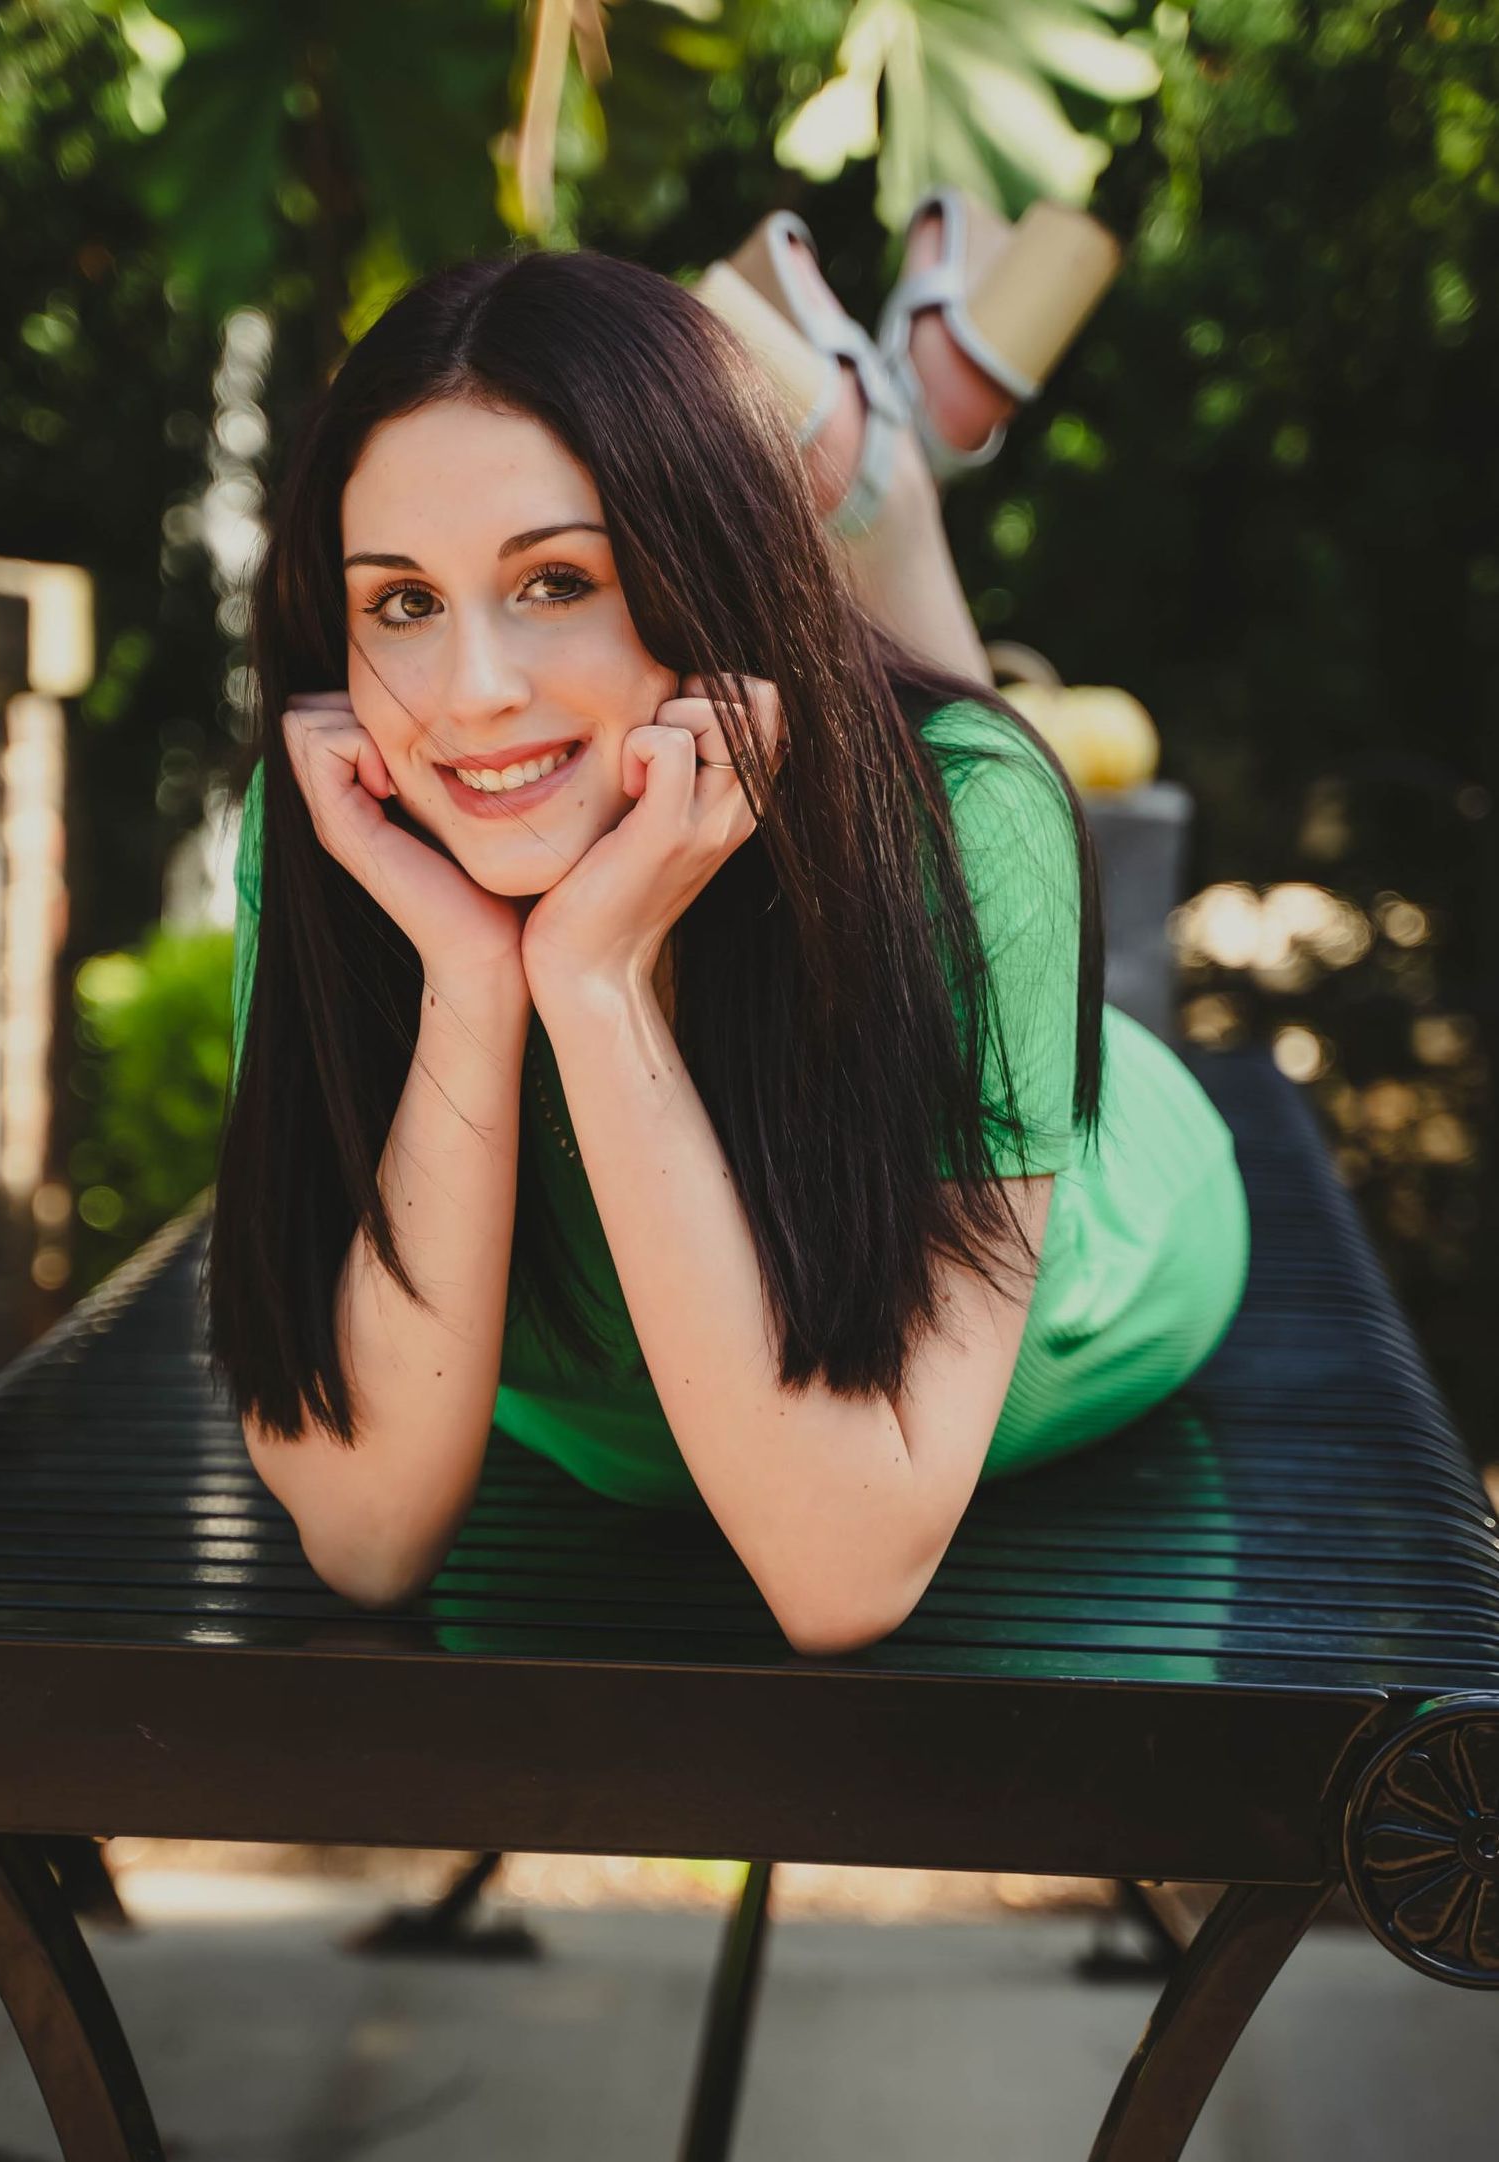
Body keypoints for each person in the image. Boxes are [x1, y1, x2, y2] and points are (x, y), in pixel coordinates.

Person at [205, 241, 1250, 1658]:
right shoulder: (339, 827)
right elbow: (369, 1532)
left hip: (1105, 1255)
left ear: (703, 565)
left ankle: (884, 485)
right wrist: (472, 979)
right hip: (642, 1436)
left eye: (557, 579)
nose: (473, 694)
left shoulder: (977, 810)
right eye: (403, 602)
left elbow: (842, 1570)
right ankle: (881, 470)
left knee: (922, 801)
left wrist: (597, 984)